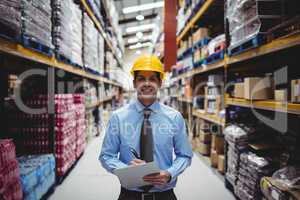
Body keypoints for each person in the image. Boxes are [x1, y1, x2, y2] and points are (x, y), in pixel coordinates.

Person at [99, 55, 193, 200]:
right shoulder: (118, 117)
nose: (147, 83)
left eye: (153, 79)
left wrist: (169, 173)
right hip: (129, 195)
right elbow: (106, 155)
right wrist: (126, 170)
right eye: (141, 79)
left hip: (164, 194)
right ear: (134, 83)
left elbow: (185, 155)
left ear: (160, 83)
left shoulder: (174, 118)